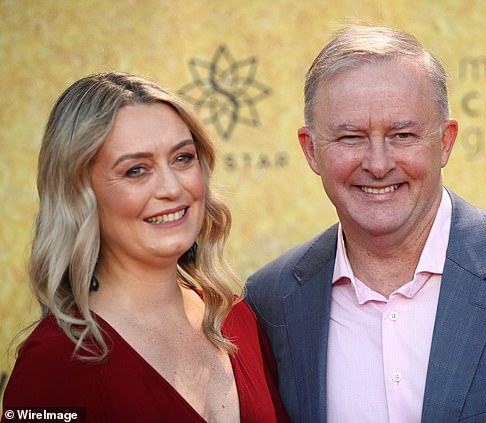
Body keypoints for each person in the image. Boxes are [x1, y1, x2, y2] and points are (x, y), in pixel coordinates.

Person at [245, 25, 486, 423]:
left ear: (445, 141)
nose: (378, 164)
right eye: (350, 138)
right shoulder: (269, 301)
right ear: (311, 150)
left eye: (402, 134)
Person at [2, 72, 289, 423]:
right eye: (136, 170)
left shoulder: (235, 316)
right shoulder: (54, 362)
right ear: (79, 195)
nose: (171, 187)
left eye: (183, 158)